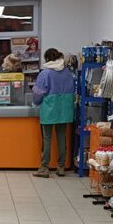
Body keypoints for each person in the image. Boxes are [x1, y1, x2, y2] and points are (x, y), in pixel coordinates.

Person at [32, 47, 75, 178]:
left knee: (47, 138)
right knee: (61, 137)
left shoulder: (45, 74)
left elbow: (38, 93)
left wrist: (36, 102)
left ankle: (44, 168)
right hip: (64, 110)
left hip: (49, 109)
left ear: (47, 59)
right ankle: (61, 167)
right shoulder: (68, 73)